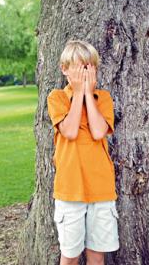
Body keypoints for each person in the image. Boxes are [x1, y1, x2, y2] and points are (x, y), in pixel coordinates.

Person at [47, 40, 119, 265]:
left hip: (101, 187)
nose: (83, 74)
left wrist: (88, 94)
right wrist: (77, 94)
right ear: (64, 69)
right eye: (78, 69)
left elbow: (99, 132)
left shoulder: (103, 98)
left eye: (88, 68)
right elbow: (68, 131)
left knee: (97, 254)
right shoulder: (57, 97)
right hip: (70, 187)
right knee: (70, 254)